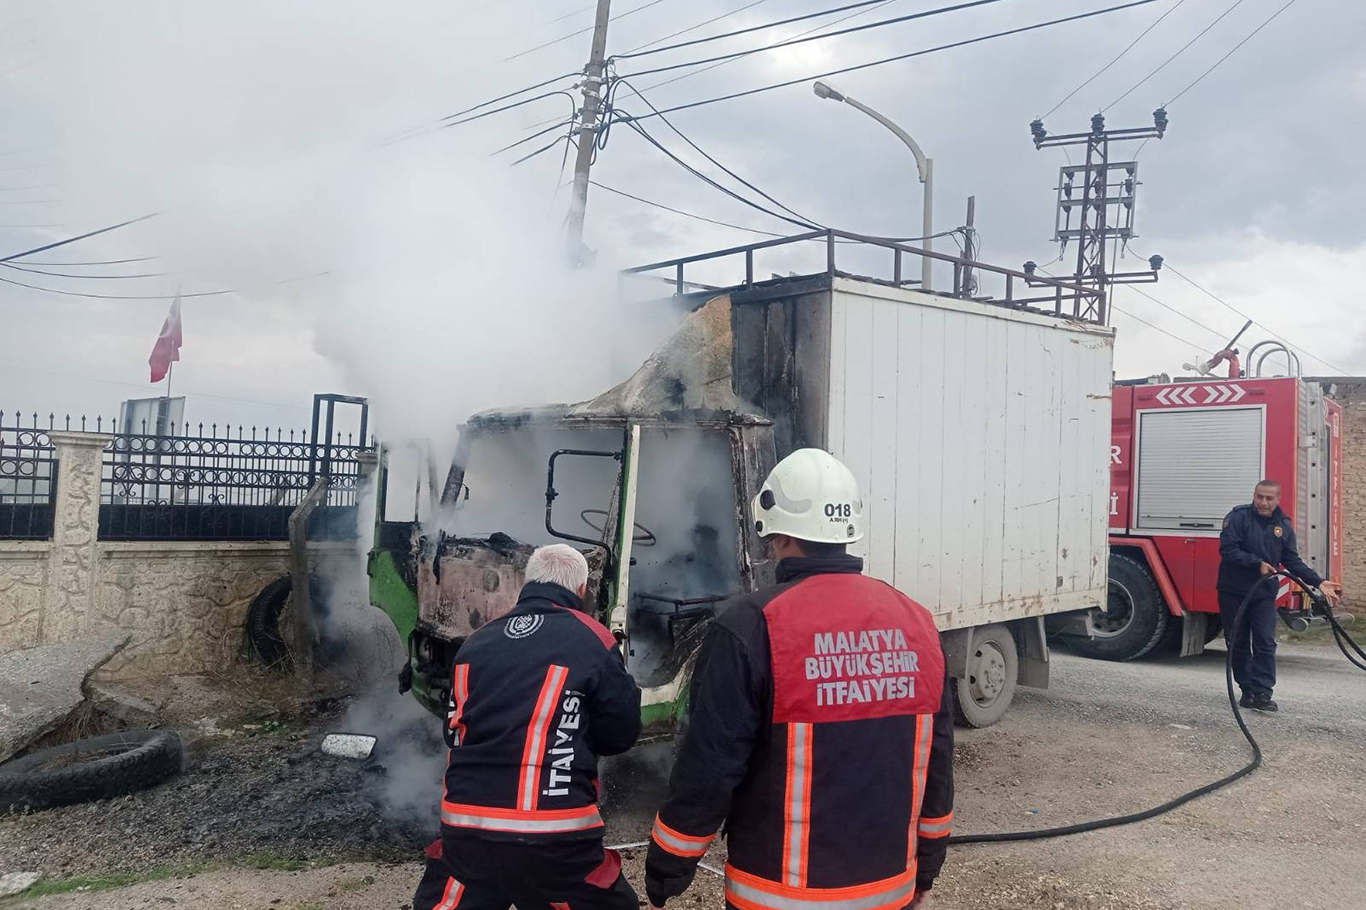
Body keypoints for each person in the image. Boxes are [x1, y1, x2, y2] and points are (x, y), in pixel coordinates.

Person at [645, 449, 954, 910]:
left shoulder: (752, 624)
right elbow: (936, 764)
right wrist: (926, 867)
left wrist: (669, 865)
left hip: (779, 896)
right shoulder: (917, 623)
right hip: (889, 892)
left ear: (778, 533)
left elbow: (709, 767)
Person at [413, 543, 642, 910]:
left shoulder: (474, 644)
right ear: (581, 591)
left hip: (466, 837)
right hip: (555, 839)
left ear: (526, 583)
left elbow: (453, 733)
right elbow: (621, 734)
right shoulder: (594, 639)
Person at [1218, 480, 1340, 713]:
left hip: (1263, 593)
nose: (1263, 502)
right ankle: (1247, 690)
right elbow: (1228, 549)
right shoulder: (1238, 518)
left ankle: (1263, 693)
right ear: (1254, 496)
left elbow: (1292, 560)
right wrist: (1257, 564)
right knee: (1239, 641)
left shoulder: (1283, 526)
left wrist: (1319, 582)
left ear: (1278, 499)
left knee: (1265, 641)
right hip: (1233, 591)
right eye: (1259, 497)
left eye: (1268, 498)